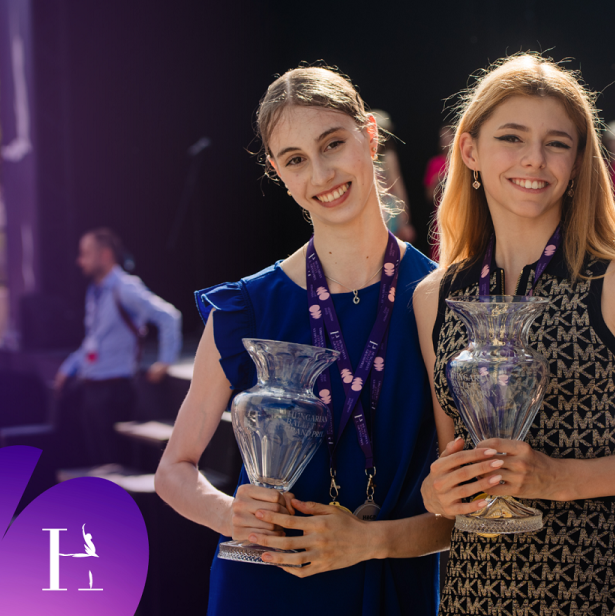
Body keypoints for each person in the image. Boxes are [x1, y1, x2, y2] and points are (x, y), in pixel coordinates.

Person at [414, 53, 615, 616]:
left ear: (580, 160)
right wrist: (437, 492)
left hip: (592, 590)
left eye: (557, 142)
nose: (535, 159)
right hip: (470, 594)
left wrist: (557, 478)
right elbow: (454, 458)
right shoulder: (434, 296)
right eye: (512, 137)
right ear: (469, 151)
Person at [154, 66, 447, 616]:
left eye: (332, 143)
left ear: (370, 136)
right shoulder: (245, 308)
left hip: (389, 588)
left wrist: (370, 542)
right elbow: (175, 469)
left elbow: (468, 511)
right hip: (265, 588)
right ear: (277, 173)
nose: (320, 173)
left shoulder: (438, 298)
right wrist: (229, 516)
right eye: (294, 160)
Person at [55, 228, 182, 466]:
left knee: (114, 464)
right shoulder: (95, 291)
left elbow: (168, 316)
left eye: (85, 254)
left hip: (114, 392)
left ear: (104, 255)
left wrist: (166, 360)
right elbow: (94, 339)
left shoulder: (124, 287)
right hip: (91, 388)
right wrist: (69, 367)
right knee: (96, 462)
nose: (79, 261)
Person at [371, 109, 416, 242]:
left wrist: (405, 220)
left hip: (388, 211)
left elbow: (398, 186)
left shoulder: (388, 157)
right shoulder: (367, 158)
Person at [424, 125, 454, 260]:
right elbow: (429, 196)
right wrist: (438, 181)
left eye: (448, 136)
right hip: (441, 216)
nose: (445, 140)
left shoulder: (462, 162)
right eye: (442, 137)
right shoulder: (435, 163)